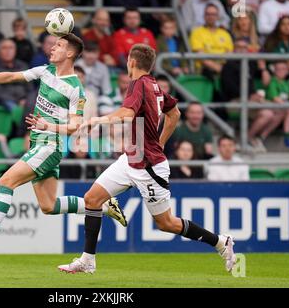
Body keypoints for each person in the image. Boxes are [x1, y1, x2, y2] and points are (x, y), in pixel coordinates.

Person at [57, 44, 236, 274]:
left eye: (128, 60)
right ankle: (88, 260)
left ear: (132, 61)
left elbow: (126, 114)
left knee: (166, 223)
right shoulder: (155, 86)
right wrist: (159, 142)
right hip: (131, 158)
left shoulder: (138, 85)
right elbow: (175, 113)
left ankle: (221, 242)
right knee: (92, 199)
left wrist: (97, 120)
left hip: (149, 167)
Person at [0, 34, 127, 255]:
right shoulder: (45, 71)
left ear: (70, 53)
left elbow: (76, 126)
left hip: (51, 145)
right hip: (39, 143)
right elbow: (11, 77)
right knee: (49, 206)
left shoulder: (75, 88)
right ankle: (104, 205)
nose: (53, 47)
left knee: (6, 180)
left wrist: (49, 126)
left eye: (59, 45)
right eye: (54, 44)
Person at [220, 38, 275, 152]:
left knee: (283, 109)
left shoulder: (251, 63)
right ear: (234, 49)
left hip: (251, 100)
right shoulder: (228, 65)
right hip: (234, 101)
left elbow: (266, 82)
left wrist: (263, 67)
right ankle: (245, 139)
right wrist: (249, 96)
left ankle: (259, 138)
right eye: (238, 47)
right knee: (267, 114)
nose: (241, 50)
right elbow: (228, 89)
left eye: (244, 47)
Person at [189, 3, 234, 77]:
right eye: (208, 14)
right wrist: (217, 67)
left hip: (224, 66)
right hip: (204, 68)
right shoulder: (196, 32)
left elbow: (229, 54)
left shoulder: (225, 33)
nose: (211, 17)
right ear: (204, 16)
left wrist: (222, 67)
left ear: (217, 16)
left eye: (213, 14)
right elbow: (200, 56)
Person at [0, 39, 32, 111]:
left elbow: (30, 88)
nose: (8, 51)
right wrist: (17, 101)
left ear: (15, 50)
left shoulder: (23, 66)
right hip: (5, 100)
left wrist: (25, 99)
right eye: (4, 48)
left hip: (23, 100)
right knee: (13, 107)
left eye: (11, 48)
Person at [266, 61, 289, 148]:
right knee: (288, 109)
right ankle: (287, 135)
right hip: (272, 107)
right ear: (275, 71)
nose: (281, 71)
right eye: (278, 69)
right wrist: (288, 103)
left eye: (283, 69)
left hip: (284, 107)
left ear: (287, 71)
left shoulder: (286, 83)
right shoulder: (273, 82)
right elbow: (275, 99)